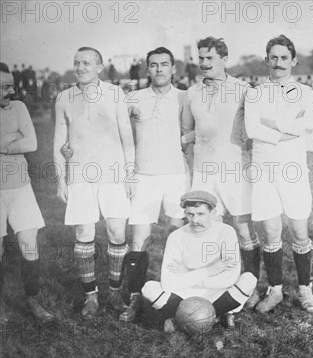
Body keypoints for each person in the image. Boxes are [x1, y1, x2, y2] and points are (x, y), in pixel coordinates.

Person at [54, 47, 135, 319]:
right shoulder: (64, 97)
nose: (80, 67)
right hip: (79, 176)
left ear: (100, 67)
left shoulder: (114, 94)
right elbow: (57, 143)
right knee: (83, 236)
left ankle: (114, 290)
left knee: (116, 235)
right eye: (76, 62)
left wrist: (130, 174)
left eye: (86, 63)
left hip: (113, 175)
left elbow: (127, 138)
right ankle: (91, 296)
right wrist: (61, 180)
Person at [181, 37, 260, 308]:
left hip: (235, 168)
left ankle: (251, 286)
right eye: (200, 58)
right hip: (203, 171)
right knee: (209, 230)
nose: (203, 63)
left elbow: (254, 131)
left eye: (209, 58)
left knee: (243, 229)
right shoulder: (191, 93)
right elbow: (187, 133)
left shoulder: (243, 89)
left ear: (224, 59)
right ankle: (215, 285)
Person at [244, 34, 313, 313]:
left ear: (294, 61)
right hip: (263, 168)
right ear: (266, 60)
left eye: (284, 58)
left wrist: (272, 123)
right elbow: (252, 130)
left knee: (299, 231)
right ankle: (275, 290)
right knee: (271, 232)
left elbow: (307, 126)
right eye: (273, 57)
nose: (278, 63)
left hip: (293, 169)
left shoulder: (306, 93)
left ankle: (305, 291)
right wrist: (287, 130)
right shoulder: (254, 93)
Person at [119, 47, 188, 322]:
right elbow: (121, 136)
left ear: (173, 69)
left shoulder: (184, 97)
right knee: (139, 239)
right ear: (147, 70)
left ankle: (175, 296)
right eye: (154, 65)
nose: (159, 69)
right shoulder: (132, 99)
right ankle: (135, 298)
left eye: (164, 64)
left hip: (176, 176)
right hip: (144, 176)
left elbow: (194, 130)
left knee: (178, 237)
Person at [141, 190, 257, 332]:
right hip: (184, 293)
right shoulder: (176, 237)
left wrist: (188, 273)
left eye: (201, 214)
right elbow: (168, 283)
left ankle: (184, 319)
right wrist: (209, 271)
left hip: (216, 292)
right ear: (185, 213)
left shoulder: (226, 232)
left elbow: (230, 278)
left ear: (213, 212)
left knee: (249, 280)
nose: (195, 220)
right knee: (149, 288)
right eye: (190, 214)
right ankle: (215, 317)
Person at [0, 62, 54, 322]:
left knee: (29, 245)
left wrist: (3, 145)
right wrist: (13, 140)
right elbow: (22, 141)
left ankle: (32, 300)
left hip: (21, 188)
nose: (8, 91)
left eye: (10, 85)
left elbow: (31, 142)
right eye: (2, 87)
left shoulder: (19, 107)